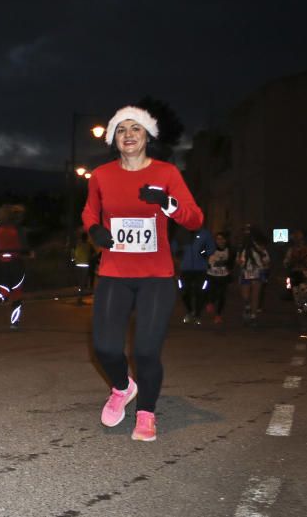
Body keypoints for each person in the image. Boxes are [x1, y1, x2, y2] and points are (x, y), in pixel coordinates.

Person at [82, 105, 203, 442]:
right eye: (121, 130)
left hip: (156, 275)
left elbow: (195, 218)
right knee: (105, 349)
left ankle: (146, 413)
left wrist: (167, 203)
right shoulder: (103, 175)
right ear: (114, 139)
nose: (129, 135)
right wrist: (94, 231)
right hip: (114, 272)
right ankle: (122, 387)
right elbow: (90, 211)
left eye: (136, 128)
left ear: (147, 136)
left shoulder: (166, 173)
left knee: (146, 351)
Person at [0, 204, 32, 329]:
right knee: (16, 293)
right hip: (16, 264)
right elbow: (24, 247)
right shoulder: (19, 231)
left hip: (1, 264)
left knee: (4, 292)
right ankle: (14, 322)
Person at [172, 227, 215, 325]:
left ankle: (197, 314)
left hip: (201, 269)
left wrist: (204, 252)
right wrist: (178, 252)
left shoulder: (205, 233)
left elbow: (211, 247)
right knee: (184, 291)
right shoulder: (181, 233)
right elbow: (173, 246)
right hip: (185, 268)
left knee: (201, 291)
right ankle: (190, 311)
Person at [236, 225, 270, 325]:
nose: (247, 234)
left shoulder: (260, 247)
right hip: (246, 272)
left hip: (257, 272)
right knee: (245, 295)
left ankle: (253, 315)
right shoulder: (242, 247)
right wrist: (240, 262)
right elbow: (238, 261)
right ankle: (248, 307)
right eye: (245, 232)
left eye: (248, 232)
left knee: (255, 294)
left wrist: (264, 265)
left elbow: (266, 259)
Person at [283, 230, 307, 329]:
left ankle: (305, 313)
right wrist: (290, 263)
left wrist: (306, 262)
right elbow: (286, 262)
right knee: (297, 298)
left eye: (299, 239)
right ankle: (301, 317)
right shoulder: (291, 250)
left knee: (304, 295)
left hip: (304, 275)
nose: (298, 241)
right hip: (295, 275)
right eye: (296, 239)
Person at [205, 231, 233, 325]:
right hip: (211, 275)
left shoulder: (229, 249)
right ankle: (210, 302)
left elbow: (232, 261)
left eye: (221, 239)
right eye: (217, 239)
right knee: (211, 292)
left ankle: (218, 315)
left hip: (223, 276)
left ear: (225, 240)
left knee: (222, 295)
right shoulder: (211, 249)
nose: (219, 241)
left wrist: (229, 268)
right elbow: (202, 254)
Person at [71, 230, 95, 305]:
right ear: (87, 238)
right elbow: (94, 254)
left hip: (78, 264)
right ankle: (80, 297)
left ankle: (79, 297)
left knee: (80, 282)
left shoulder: (77, 244)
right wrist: (89, 258)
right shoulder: (89, 245)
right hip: (85, 265)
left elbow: (72, 251)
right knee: (82, 282)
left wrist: (73, 259)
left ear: (81, 238)